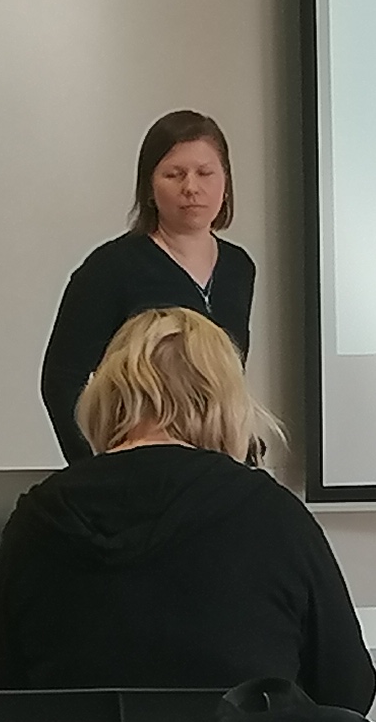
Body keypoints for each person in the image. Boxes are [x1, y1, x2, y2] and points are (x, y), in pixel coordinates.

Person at [0, 307, 376, 710]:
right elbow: (347, 690)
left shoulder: (35, 521)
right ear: (225, 402)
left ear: (106, 396)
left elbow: (9, 694)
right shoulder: (273, 514)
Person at [39, 111, 253, 463]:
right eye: (174, 174)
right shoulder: (110, 268)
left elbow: (231, 376)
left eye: (205, 173)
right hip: (140, 466)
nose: (191, 187)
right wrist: (94, 468)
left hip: (218, 468)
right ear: (150, 187)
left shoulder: (239, 267)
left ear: (225, 182)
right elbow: (61, 381)